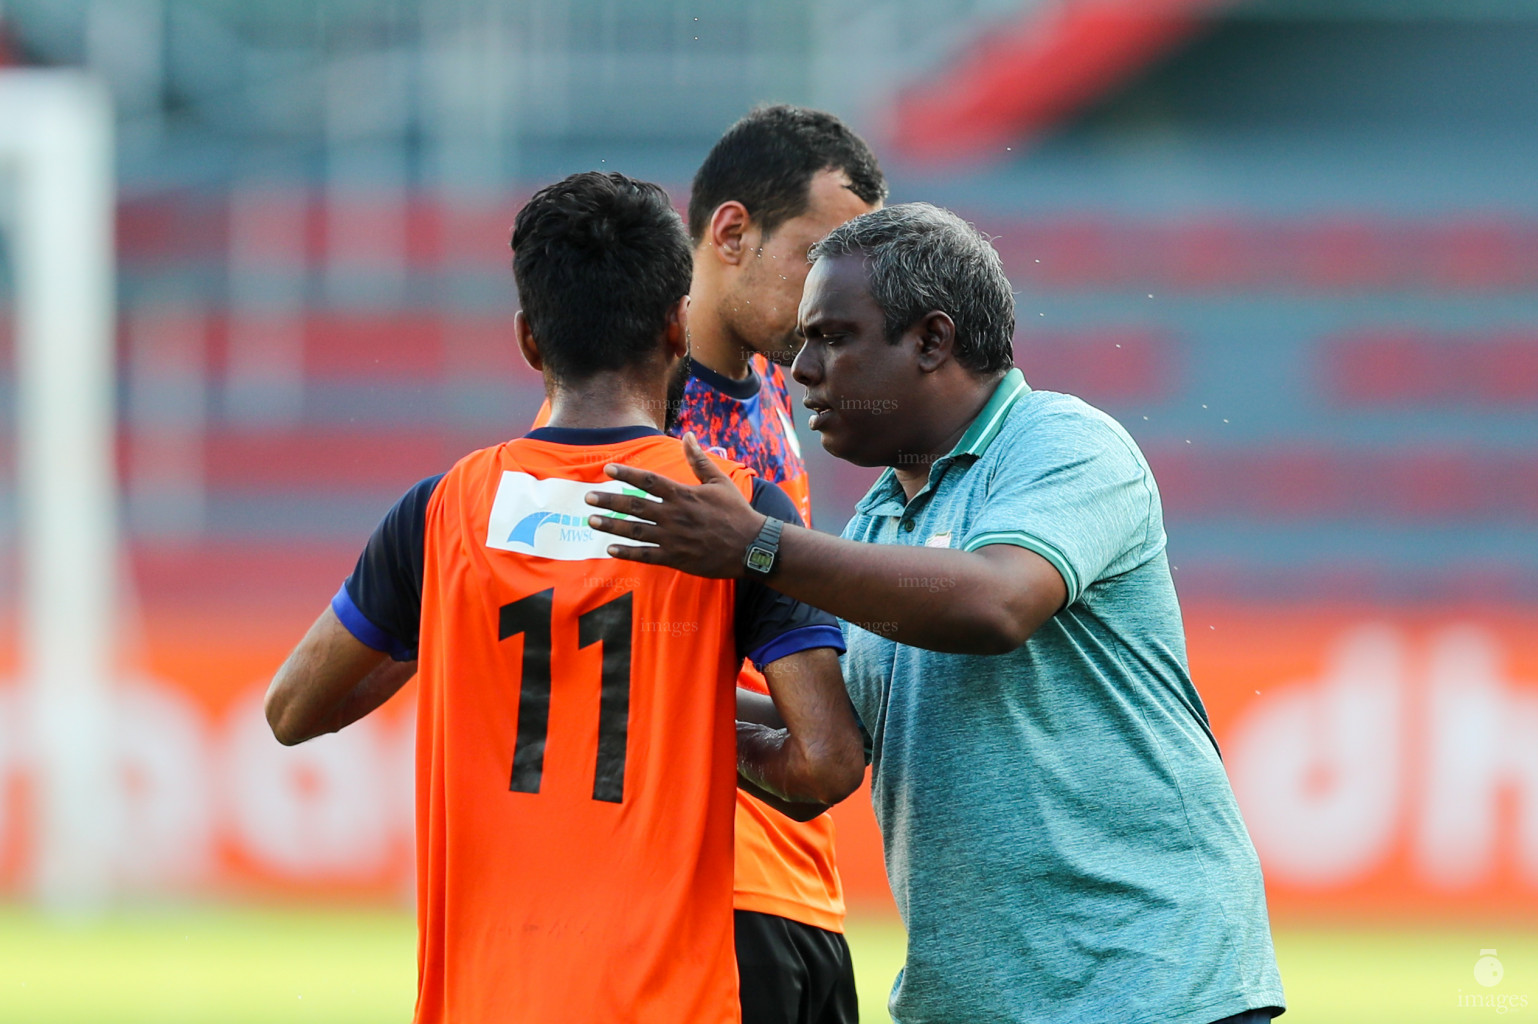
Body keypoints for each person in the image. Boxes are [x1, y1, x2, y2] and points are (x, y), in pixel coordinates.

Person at [583, 203, 1288, 1024]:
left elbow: (997, 603)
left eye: (834, 337)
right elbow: (827, 737)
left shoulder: (1064, 444)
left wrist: (760, 546)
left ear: (931, 340)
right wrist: (638, 691)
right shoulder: (877, 523)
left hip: (1148, 984)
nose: (801, 367)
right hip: (978, 1003)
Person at [263, 171, 865, 1024]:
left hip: (487, 998)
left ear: (527, 340)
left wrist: (456, 637)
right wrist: (688, 723)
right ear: (674, 329)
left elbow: (292, 710)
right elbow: (828, 761)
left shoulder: (440, 516)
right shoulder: (728, 510)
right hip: (670, 997)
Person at [533, 104, 885, 1024]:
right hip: (697, 896)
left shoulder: (781, 380)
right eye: (820, 256)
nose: (835, 295)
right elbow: (595, 672)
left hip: (797, 878)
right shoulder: (638, 411)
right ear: (732, 233)